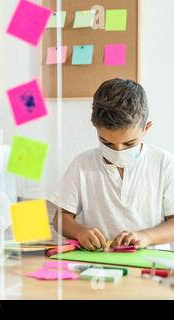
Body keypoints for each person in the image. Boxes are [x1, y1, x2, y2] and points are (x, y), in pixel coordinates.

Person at [50, 78, 174, 251]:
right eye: (107, 143)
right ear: (96, 129)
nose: (118, 150)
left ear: (147, 128)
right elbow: (60, 218)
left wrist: (145, 236)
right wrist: (79, 231)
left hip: (151, 267)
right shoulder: (82, 164)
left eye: (129, 144)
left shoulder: (164, 163)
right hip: (99, 266)